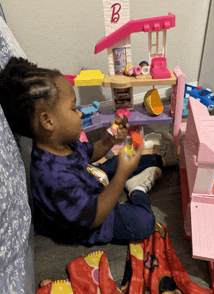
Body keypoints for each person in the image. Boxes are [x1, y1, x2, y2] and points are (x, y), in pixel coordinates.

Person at [0, 57, 177, 246]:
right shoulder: (52, 176)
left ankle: (163, 160)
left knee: (118, 161)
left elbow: (90, 153)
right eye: (73, 108)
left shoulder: (63, 142)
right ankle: (137, 189)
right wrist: (122, 175)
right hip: (93, 220)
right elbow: (96, 217)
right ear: (48, 121)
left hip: (90, 183)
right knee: (144, 223)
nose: (79, 113)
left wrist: (111, 140)